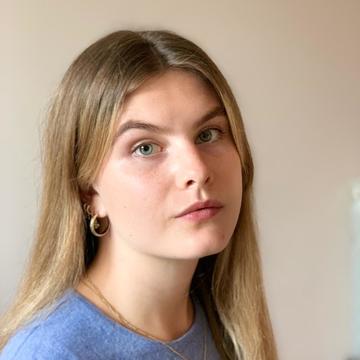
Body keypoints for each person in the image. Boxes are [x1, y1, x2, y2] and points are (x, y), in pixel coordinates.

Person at [0, 30, 278, 360]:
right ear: (89, 192)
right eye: (145, 147)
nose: (197, 170)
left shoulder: (225, 328)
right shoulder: (51, 352)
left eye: (208, 133)